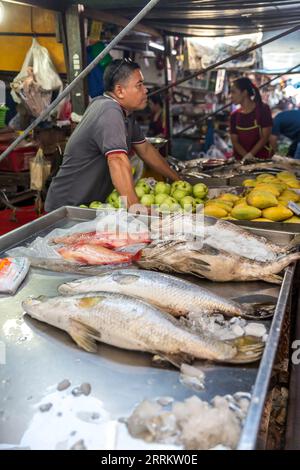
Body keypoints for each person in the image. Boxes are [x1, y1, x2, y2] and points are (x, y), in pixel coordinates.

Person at [45, 59, 179, 212]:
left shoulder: (125, 115)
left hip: (89, 207)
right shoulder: (109, 110)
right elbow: (117, 160)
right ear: (120, 91)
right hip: (67, 208)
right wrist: (135, 207)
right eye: (139, 85)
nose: (145, 90)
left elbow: (146, 151)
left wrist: (178, 180)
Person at [230, 77, 273, 161]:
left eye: (233, 92)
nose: (231, 96)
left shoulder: (263, 110)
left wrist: (251, 155)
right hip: (240, 161)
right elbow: (235, 141)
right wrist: (246, 157)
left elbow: (265, 137)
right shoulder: (234, 115)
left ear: (244, 93)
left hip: (261, 160)